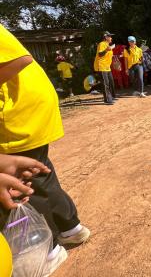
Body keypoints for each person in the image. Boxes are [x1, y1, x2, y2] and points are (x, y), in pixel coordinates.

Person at [0, 24, 90, 275]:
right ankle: (71, 227)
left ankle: (48, 251)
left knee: (22, 182)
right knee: (39, 170)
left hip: (17, 111)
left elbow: (18, 59)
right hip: (28, 105)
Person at [94, 31, 116, 105]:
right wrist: (107, 49)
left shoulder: (108, 45)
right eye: (110, 36)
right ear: (106, 37)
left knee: (111, 82)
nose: (111, 38)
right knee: (105, 83)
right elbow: (100, 54)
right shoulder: (102, 44)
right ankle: (107, 99)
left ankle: (111, 97)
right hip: (102, 66)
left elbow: (109, 56)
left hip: (107, 66)